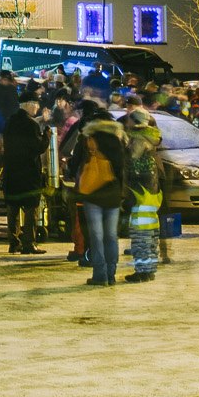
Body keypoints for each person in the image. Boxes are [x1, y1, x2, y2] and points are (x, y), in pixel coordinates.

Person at [73, 112, 128, 285]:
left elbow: (75, 163)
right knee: (111, 236)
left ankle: (100, 275)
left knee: (96, 236)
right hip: (112, 194)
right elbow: (122, 168)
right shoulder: (118, 140)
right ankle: (111, 275)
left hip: (93, 193)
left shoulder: (88, 139)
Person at [1, 96, 47, 255]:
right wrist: (46, 135)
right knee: (30, 209)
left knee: (12, 208)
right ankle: (29, 243)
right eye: (36, 104)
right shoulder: (30, 124)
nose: (37, 108)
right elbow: (38, 147)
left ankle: (14, 242)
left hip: (12, 171)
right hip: (28, 172)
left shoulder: (10, 122)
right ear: (29, 105)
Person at [123, 109, 164, 281]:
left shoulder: (139, 140)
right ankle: (150, 269)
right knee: (151, 236)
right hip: (152, 194)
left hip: (140, 193)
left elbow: (132, 162)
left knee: (140, 237)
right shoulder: (151, 139)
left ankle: (142, 272)